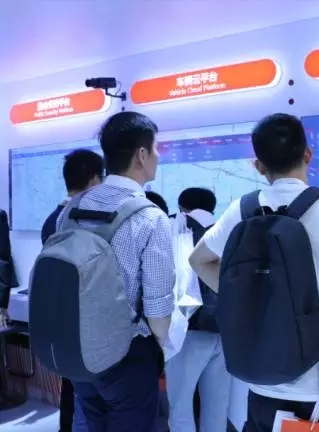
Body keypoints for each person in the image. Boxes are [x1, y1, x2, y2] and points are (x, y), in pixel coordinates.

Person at [189, 113, 319, 432]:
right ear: (308, 154)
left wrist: (243, 298)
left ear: (258, 165)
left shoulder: (242, 210)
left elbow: (198, 260)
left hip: (263, 379)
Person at [58, 111, 175, 431]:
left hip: (79, 349)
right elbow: (158, 311)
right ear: (141, 155)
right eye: (156, 148)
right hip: (128, 355)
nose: (158, 155)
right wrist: (164, 345)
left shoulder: (72, 209)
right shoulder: (150, 217)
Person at [40, 148, 103, 432]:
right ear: (94, 179)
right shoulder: (82, 220)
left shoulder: (52, 219)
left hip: (63, 319)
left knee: (72, 390)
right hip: (87, 321)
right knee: (87, 398)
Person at [165, 187, 229, 432]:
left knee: (180, 407)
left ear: (182, 207)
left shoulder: (176, 227)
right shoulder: (229, 229)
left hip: (187, 330)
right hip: (225, 330)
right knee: (217, 407)